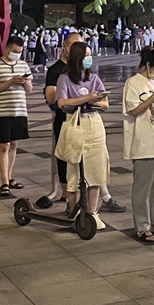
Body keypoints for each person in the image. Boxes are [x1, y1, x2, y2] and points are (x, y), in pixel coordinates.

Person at [56, 42, 112, 230]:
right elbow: (62, 102)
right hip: (75, 123)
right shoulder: (64, 79)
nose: (89, 58)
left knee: (95, 169)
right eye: (86, 54)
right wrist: (87, 98)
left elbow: (105, 103)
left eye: (90, 54)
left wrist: (94, 102)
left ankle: (92, 213)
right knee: (74, 169)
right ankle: (74, 211)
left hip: (94, 123)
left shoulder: (94, 78)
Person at [124, 48, 154, 242]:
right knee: (142, 188)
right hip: (144, 142)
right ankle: (142, 226)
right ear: (148, 65)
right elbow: (133, 111)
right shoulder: (133, 83)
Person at [38, 32, 81, 211]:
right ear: (65, 47)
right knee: (62, 157)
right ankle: (65, 196)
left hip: (82, 119)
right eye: (75, 47)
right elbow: (51, 98)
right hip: (63, 118)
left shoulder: (81, 69)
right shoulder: (56, 71)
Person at [0, 35, 33, 196]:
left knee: (13, 144)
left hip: (19, 110)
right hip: (2, 111)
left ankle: (10, 176)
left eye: (19, 52)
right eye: (14, 51)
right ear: (7, 48)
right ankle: (4, 181)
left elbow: (30, 89)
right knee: (3, 145)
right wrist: (11, 81)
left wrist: (25, 82)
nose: (17, 54)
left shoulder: (23, 65)